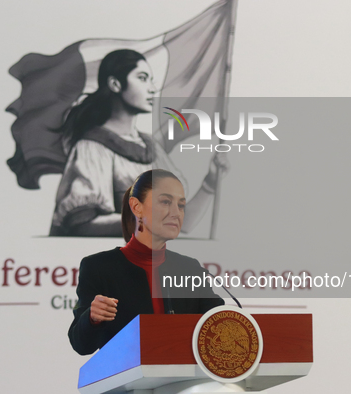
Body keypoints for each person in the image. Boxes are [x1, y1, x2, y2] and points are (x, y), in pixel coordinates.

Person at [49, 49, 228, 236]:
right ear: (115, 84)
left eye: (151, 80)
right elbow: (82, 225)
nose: (152, 88)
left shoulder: (152, 149)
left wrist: (210, 182)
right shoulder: (92, 148)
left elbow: (183, 224)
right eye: (142, 78)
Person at [68, 169, 224, 355]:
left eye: (181, 205)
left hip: (182, 382)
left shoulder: (189, 269)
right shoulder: (99, 267)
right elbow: (80, 345)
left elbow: (218, 326)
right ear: (136, 207)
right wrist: (92, 318)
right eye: (166, 202)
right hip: (128, 382)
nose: (176, 213)